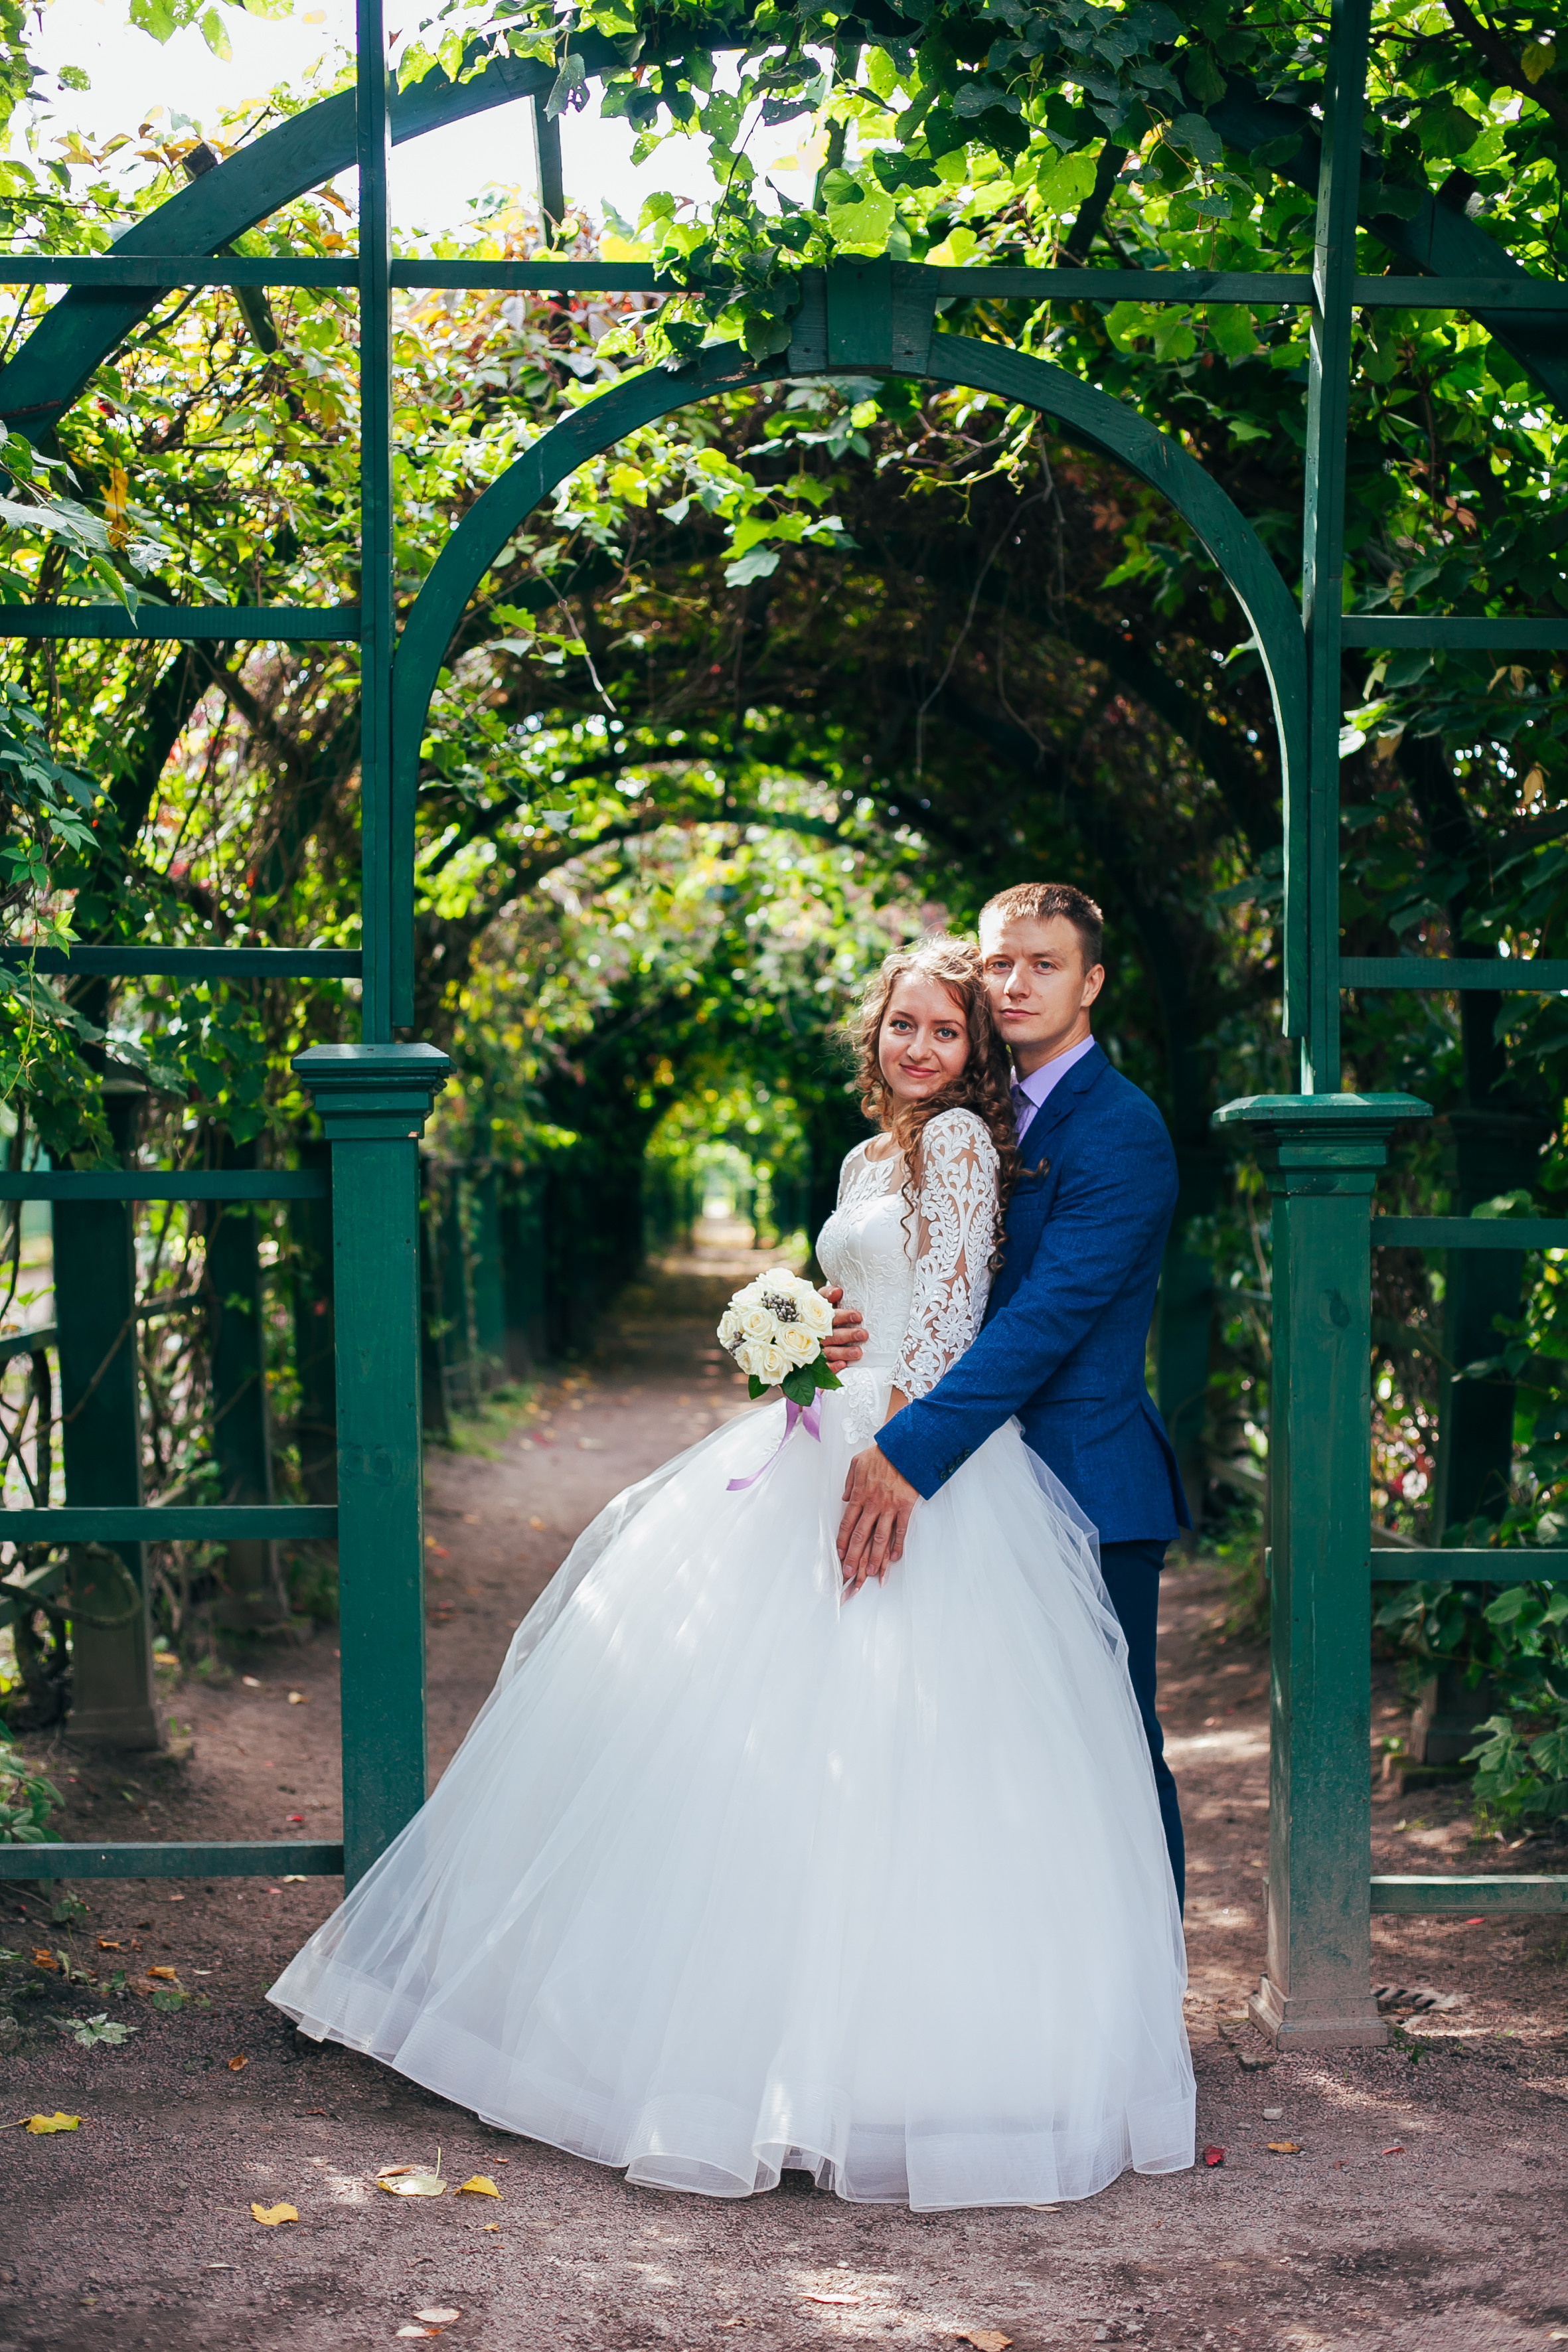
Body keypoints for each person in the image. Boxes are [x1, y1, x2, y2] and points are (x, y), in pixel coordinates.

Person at [268, 933, 1194, 2211]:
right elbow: (854, 1290)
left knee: (921, 1743)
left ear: (980, 1049)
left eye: (946, 1032)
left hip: (912, 1452)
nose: (919, 1048)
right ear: (872, 1036)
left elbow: (955, 1329)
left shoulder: (975, 1147)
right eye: (902, 1027)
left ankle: (907, 2064)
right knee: (743, 1728)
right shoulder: (871, 1153)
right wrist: (793, 1342)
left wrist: (895, 1449)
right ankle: (734, 2041)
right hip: (828, 1431)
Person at [832, 884, 1192, 1904]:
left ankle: (1145, 1999)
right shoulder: (965, 1116)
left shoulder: (1118, 1128)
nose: (1017, 982)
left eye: (1044, 963)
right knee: (974, 1754)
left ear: (1092, 982)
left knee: (1108, 1749)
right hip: (978, 1479)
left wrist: (909, 1448)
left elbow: (1047, 1315)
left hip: (1078, 1476)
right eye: (999, 962)